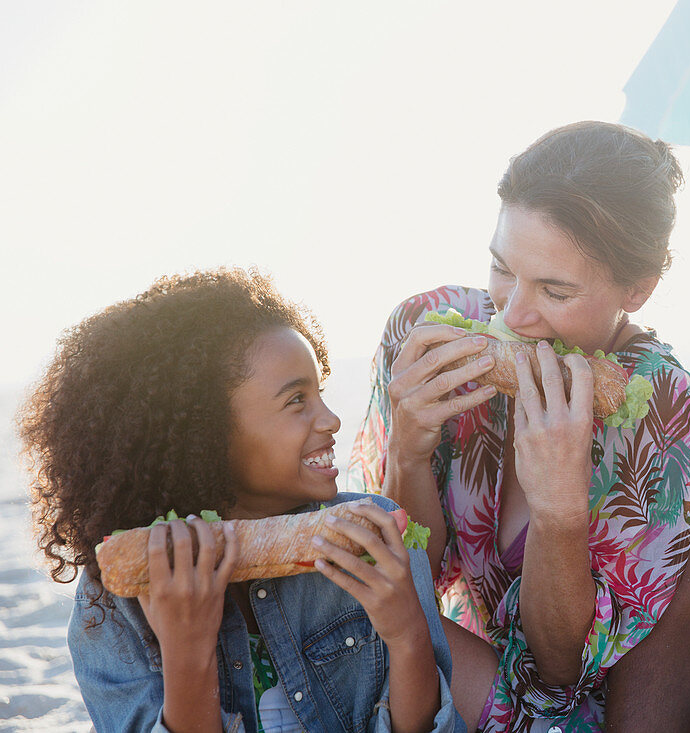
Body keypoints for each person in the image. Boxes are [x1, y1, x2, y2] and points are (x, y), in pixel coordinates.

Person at [347, 121, 690, 732]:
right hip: (456, 666)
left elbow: (559, 670)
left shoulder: (653, 402)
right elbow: (416, 586)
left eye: (556, 291)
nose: (513, 314)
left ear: (638, 290)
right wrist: (407, 455)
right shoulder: (427, 331)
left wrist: (560, 509)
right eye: (501, 267)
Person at [19, 268, 459, 732]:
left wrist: (407, 635)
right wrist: (188, 656)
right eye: (296, 400)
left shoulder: (373, 535)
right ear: (204, 435)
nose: (330, 419)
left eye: (321, 393)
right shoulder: (113, 605)